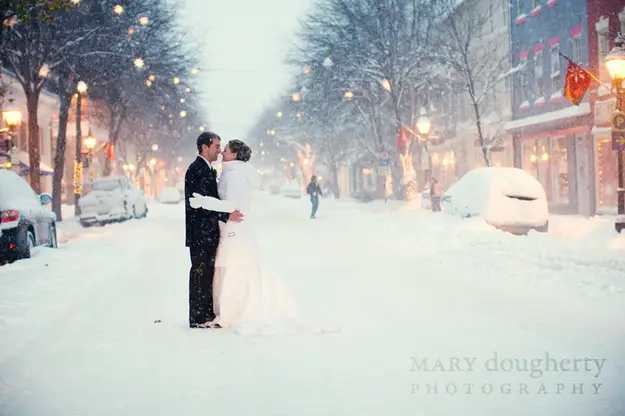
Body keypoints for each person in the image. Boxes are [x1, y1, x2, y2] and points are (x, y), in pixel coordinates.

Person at [189, 139, 331, 335]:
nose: (222, 152)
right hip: (231, 228)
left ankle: (234, 310)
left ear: (235, 155)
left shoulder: (235, 176)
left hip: (234, 229)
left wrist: (205, 202)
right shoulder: (232, 173)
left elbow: (233, 205)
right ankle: (228, 310)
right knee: (231, 267)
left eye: (226, 150)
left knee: (234, 268)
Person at [184, 132, 243, 329]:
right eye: (216, 146)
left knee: (207, 273)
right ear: (204, 147)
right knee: (200, 273)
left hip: (208, 232)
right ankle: (198, 317)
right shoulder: (197, 169)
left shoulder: (207, 169)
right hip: (200, 232)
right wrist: (226, 215)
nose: (219, 151)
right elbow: (201, 202)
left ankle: (206, 314)